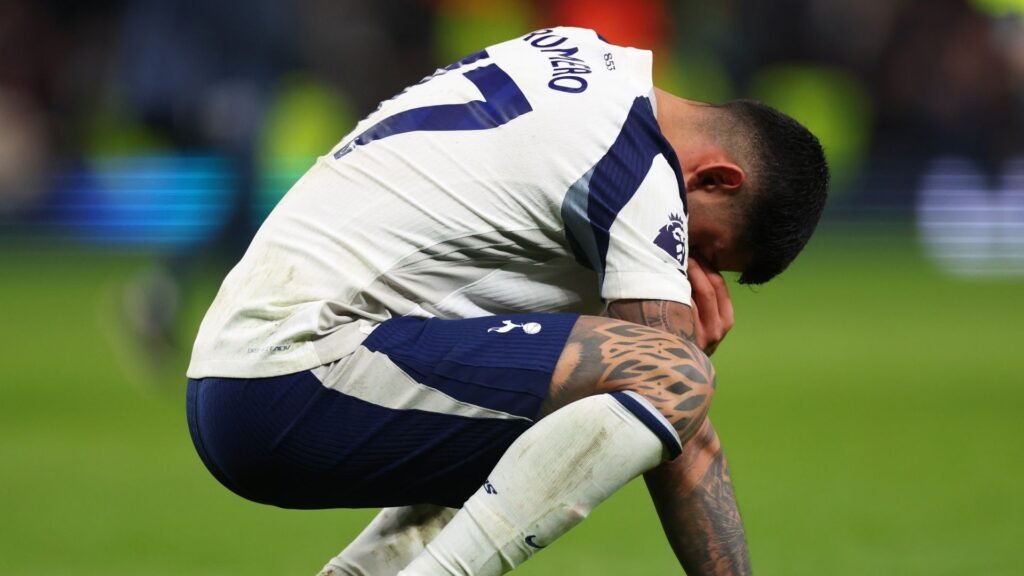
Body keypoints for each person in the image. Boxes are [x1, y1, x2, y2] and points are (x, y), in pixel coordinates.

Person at [186, 26, 828, 575]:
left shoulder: (580, 59)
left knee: (571, 391)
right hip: (295, 375)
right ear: (715, 178)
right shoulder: (636, 165)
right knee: (673, 376)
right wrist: (675, 350)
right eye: (706, 253)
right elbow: (672, 395)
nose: (696, 274)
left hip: (240, 373)